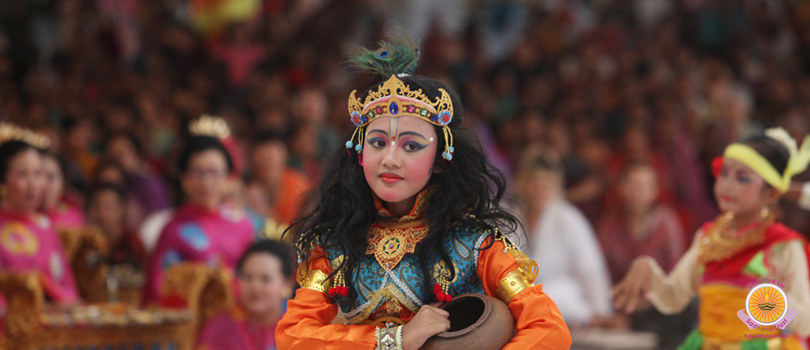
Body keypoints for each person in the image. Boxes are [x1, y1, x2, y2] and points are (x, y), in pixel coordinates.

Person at [275, 34, 571, 350]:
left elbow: (549, 327)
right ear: (359, 154)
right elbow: (292, 336)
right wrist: (395, 340)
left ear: (441, 161)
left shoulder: (476, 245)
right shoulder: (334, 247)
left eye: (411, 146)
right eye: (377, 143)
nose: (389, 158)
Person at [612, 128, 810, 349]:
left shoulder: (783, 246)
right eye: (724, 173)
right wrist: (647, 269)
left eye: (742, 178)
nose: (727, 185)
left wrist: (773, 306)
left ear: (771, 193)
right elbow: (673, 298)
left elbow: (805, 324)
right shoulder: (708, 238)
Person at [142, 119, 255, 304]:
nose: (207, 182)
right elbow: (157, 290)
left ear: (227, 177)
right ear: (184, 179)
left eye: (214, 172)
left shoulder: (242, 223)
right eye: (198, 172)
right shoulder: (173, 230)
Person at [511, 147, 614, 329]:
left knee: (552, 295)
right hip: (518, 300)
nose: (539, 190)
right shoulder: (510, 217)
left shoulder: (569, 218)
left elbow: (589, 268)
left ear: (555, 185)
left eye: (545, 184)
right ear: (523, 183)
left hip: (562, 302)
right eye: (534, 183)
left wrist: (602, 311)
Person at [0, 123, 78, 304]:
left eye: (38, 174)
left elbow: (66, 285)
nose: (33, 184)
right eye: (22, 174)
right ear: (3, 179)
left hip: (51, 321)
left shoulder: (45, 225)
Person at [196, 240, 294, 350]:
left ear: (287, 282)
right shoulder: (220, 327)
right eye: (248, 277)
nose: (255, 287)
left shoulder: (299, 327)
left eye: (266, 279)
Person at [40, 152, 85, 231]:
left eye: (51, 177)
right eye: (39, 176)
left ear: (63, 181)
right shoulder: (23, 215)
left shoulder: (74, 215)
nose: (45, 184)